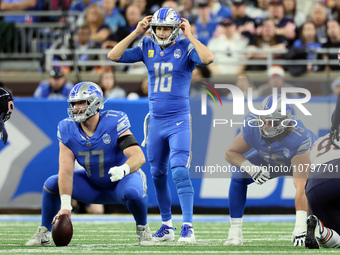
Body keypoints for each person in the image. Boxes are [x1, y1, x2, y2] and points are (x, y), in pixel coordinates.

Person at [107, 7, 214, 242]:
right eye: (159, 28)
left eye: (166, 27)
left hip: (178, 121)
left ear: (176, 29)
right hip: (155, 121)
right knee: (156, 174)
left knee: (179, 170)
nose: (162, 32)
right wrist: (136, 32)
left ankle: (188, 226)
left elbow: (208, 58)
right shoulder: (147, 46)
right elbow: (113, 56)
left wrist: (191, 35)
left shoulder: (186, 48)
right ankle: (167, 225)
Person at [25, 81, 153, 246]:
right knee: (51, 183)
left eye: (81, 102)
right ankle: (43, 232)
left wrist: (124, 170)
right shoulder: (67, 129)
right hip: (92, 184)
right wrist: (65, 207)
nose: (76, 107)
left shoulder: (113, 122)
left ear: (96, 103)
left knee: (133, 192)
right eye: (73, 103)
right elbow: (66, 170)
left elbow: (138, 156)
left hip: (120, 182)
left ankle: (143, 228)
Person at [224, 94, 318, 246]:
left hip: (299, 160)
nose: (266, 124)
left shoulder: (298, 137)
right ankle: (234, 232)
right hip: (270, 159)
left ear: (286, 122)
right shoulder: (252, 124)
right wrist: (252, 168)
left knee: (311, 191)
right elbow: (230, 153)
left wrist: (300, 226)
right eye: (264, 119)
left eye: (273, 121)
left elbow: (301, 186)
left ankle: (311, 227)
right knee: (238, 175)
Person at [305, 92, 340, 249]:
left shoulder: (318, 142)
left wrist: (310, 217)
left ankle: (322, 230)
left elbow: (307, 180)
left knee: (336, 234)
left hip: (315, 188)